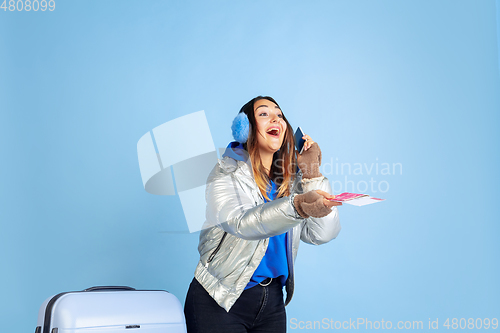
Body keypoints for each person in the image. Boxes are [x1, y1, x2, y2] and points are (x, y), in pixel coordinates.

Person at [184, 96, 342, 333]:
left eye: (279, 114)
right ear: (245, 128)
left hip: (273, 303)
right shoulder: (226, 172)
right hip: (220, 298)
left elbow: (322, 233)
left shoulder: (289, 184)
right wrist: (297, 206)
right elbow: (242, 224)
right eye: (264, 114)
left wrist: (312, 174)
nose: (275, 118)